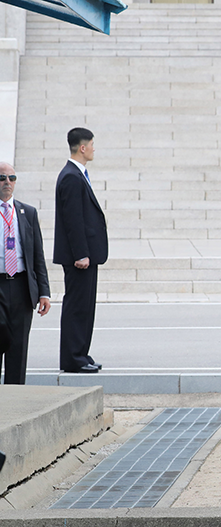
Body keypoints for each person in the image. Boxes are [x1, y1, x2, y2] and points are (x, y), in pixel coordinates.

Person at [54, 128, 108, 374]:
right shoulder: (71, 177)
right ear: (82, 148)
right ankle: (73, 358)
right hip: (80, 258)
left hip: (87, 255)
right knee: (77, 306)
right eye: (92, 145)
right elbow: (72, 220)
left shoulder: (78, 175)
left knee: (85, 306)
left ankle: (81, 354)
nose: (95, 149)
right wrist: (80, 254)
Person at [0, 163, 51, 385]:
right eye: (2, 178)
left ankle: (15, 398)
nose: (7, 182)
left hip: (21, 285)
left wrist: (44, 292)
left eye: (12, 178)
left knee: (19, 346)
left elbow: (37, 255)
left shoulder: (27, 212)